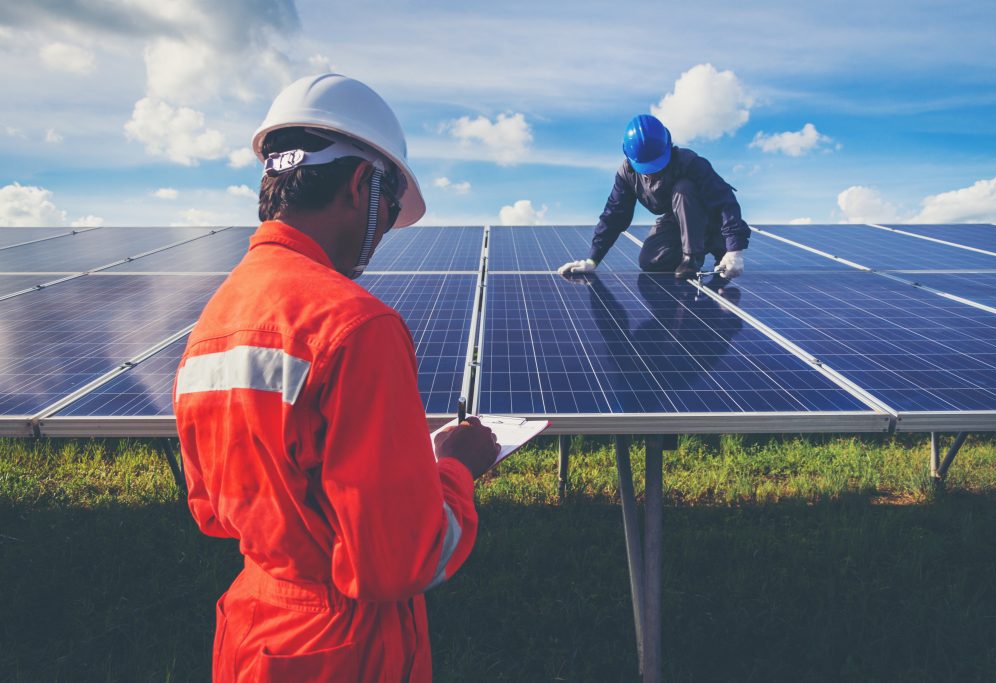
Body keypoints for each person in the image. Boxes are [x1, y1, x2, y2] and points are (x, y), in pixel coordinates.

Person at [173, 73, 500, 682]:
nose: (383, 233)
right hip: (345, 653)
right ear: (359, 185)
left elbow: (212, 512)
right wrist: (455, 468)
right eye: (389, 211)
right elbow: (401, 561)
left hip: (251, 638)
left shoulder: (213, 322)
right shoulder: (356, 327)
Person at [558, 114, 751, 288]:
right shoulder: (628, 174)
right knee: (651, 262)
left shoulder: (690, 163)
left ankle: (694, 256)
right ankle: (704, 243)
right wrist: (593, 259)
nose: (653, 172)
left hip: (709, 219)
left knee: (683, 189)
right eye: (646, 167)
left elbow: (725, 201)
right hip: (677, 222)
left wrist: (734, 249)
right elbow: (614, 215)